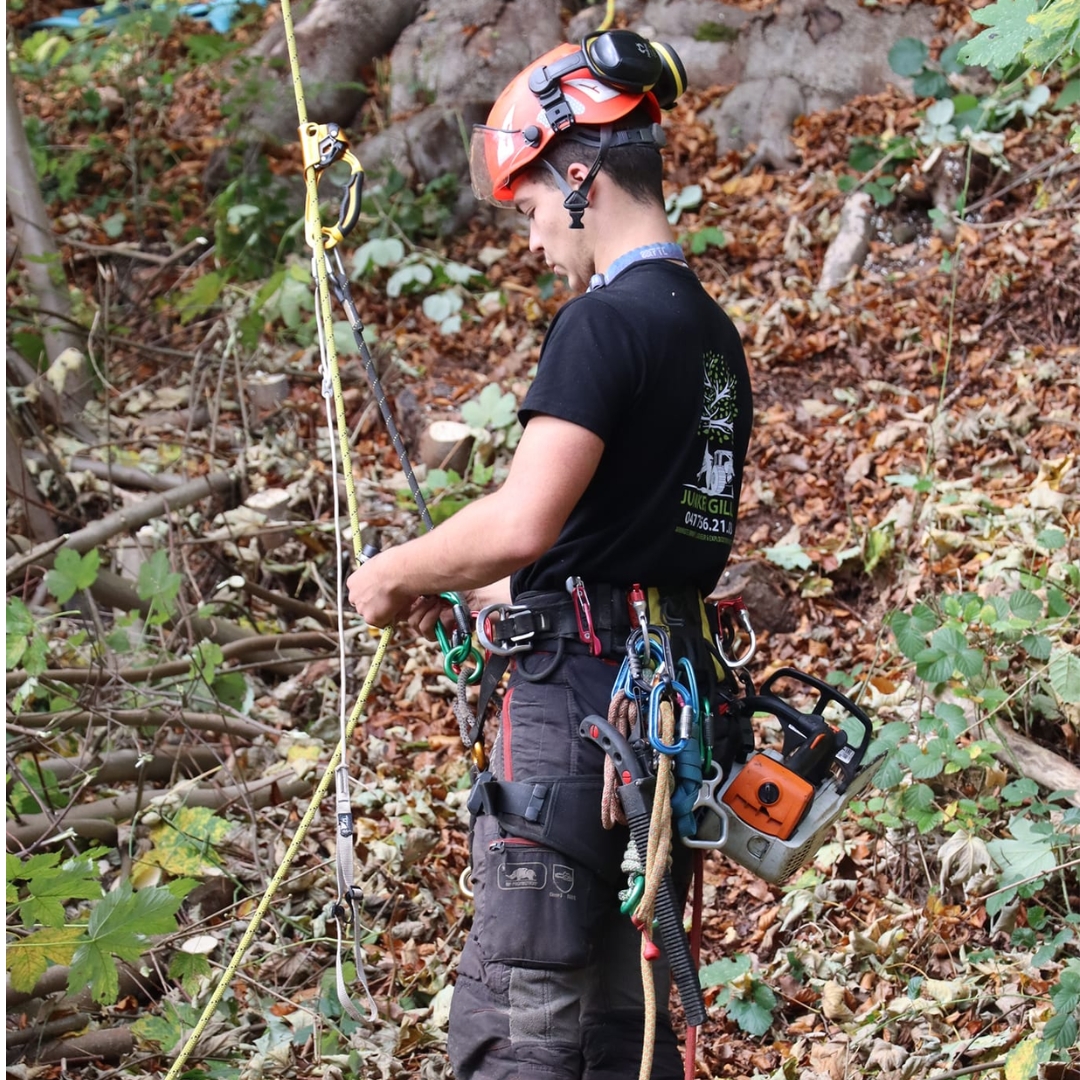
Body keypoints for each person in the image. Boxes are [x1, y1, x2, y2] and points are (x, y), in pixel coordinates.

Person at [347, 30, 753, 1080]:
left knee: (527, 1012)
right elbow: (614, 541)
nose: (530, 236)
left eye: (530, 205)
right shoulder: (710, 334)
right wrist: (480, 587)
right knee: (630, 1018)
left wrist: (394, 571)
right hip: (665, 720)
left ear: (578, 174)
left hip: (575, 721)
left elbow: (527, 522)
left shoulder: (603, 323)